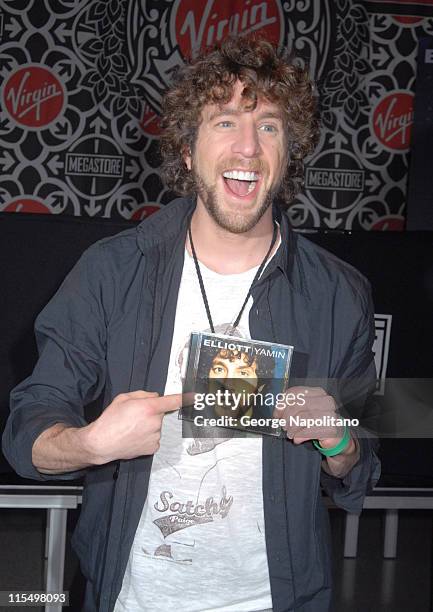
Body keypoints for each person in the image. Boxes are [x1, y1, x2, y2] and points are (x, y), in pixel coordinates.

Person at [2, 36, 380, 611]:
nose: (248, 148)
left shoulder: (340, 294)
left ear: (288, 152)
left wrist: (340, 438)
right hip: (133, 599)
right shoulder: (112, 272)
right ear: (187, 149)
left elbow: (362, 467)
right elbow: (28, 428)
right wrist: (87, 443)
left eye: (270, 127)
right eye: (225, 122)